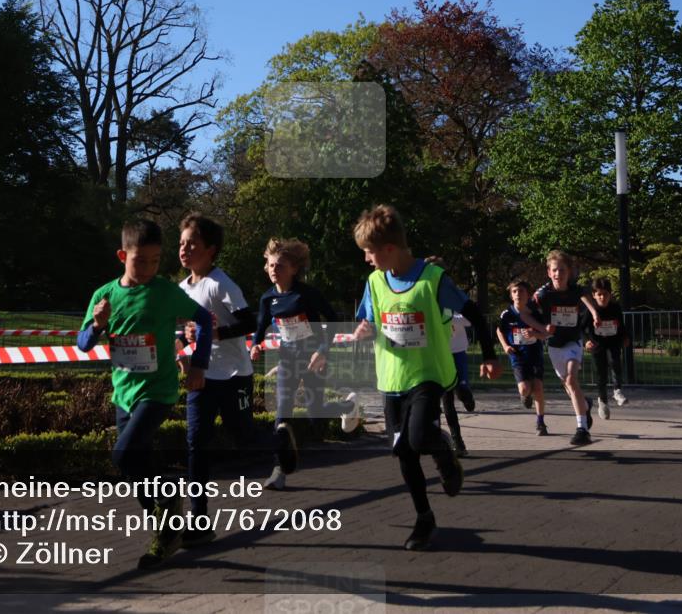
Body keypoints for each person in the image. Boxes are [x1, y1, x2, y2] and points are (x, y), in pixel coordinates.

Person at [351, 205, 501, 551]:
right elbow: (369, 319)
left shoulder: (432, 279)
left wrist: (491, 356)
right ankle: (424, 518)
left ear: (389, 249)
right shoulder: (374, 282)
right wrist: (364, 328)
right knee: (403, 452)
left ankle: (444, 452)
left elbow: (474, 313)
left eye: (369, 252)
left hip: (428, 374)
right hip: (392, 378)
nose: (367, 260)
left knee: (418, 438)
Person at [77, 219, 214, 570]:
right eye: (141, 261)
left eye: (156, 261)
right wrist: (97, 325)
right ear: (123, 255)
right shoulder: (105, 295)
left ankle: (166, 508)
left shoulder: (165, 292)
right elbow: (83, 344)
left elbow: (205, 319)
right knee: (133, 463)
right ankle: (167, 533)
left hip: (158, 390)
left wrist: (198, 364)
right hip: (124, 393)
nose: (149, 268)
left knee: (124, 455)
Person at [250, 237, 360, 491]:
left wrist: (322, 351)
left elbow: (332, 319)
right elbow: (261, 326)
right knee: (282, 413)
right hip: (288, 359)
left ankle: (348, 404)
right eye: (270, 265)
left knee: (314, 412)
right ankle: (279, 470)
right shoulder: (268, 299)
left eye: (280, 265)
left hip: (313, 359)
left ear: (294, 268)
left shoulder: (306, 294)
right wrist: (256, 344)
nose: (273, 270)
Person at [176, 213, 259, 547]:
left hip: (235, 374)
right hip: (203, 375)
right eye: (181, 243)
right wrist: (181, 351)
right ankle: (199, 519)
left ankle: (285, 445)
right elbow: (182, 331)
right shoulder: (182, 289)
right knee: (196, 442)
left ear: (210, 250)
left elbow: (248, 322)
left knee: (244, 440)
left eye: (191, 244)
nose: (183, 249)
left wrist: (215, 332)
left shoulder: (222, 284)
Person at [530, 250, 602, 446]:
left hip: (573, 342)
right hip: (554, 345)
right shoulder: (543, 294)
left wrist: (595, 314)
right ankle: (585, 405)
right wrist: (538, 329)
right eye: (555, 270)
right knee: (570, 387)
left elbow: (587, 299)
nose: (558, 274)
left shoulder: (575, 289)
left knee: (571, 379)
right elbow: (528, 312)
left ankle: (582, 430)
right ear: (548, 272)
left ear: (569, 272)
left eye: (562, 270)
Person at [496, 280, 550, 435]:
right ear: (511, 295)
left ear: (528, 295)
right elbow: (499, 331)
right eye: (515, 291)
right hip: (518, 357)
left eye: (521, 291)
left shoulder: (535, 313)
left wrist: (534, 334)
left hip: (534, 355)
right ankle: (525, 396)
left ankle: (541, 422)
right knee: (525, 389)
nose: (518, 294)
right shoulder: (507, 314)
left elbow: (545, 334)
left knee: (538, 387)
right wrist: (506, 346)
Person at [583, 277, 631, 419]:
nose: (603, 298)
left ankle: (617, 390)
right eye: (599, 295)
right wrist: (586, 341)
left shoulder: (615, 308)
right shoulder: (590, 310)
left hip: (613, 342)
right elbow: (581, 328)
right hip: (597, 345)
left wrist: (625, 337)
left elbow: (621, 325)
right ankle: (602, 401)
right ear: (594, 295)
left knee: (615, 363)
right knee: (601, 374)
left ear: (610, 294)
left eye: (605, 294)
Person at [441, 311, 474, 456]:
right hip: (440, 354)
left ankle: (467, 397)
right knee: (447, 399)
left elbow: (468, 320)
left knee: (460, 390)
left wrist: (448, 315)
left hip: (458, 352)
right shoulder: (428, 302)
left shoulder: (452, 301)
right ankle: (458, 442)